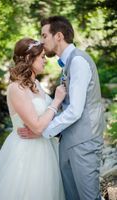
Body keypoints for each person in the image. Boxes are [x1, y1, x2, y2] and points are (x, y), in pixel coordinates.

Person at [18, 16, 106, 200]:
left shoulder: (78, 62)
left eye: (44, 36)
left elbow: (75, 110)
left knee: (88, 197)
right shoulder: (67, 64)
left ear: (58, 36)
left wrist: (42, 131)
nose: (41, 41)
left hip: (84, 144)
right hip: (67, 142)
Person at [0, 38, 66, 200]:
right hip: (25, 151)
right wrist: (56, 101)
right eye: (42, 57)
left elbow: (44, 123)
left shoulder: (36, 84)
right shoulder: (16, 88)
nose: (45, 60)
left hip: (45, 148)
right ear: (29, 58)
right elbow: (36, 126)